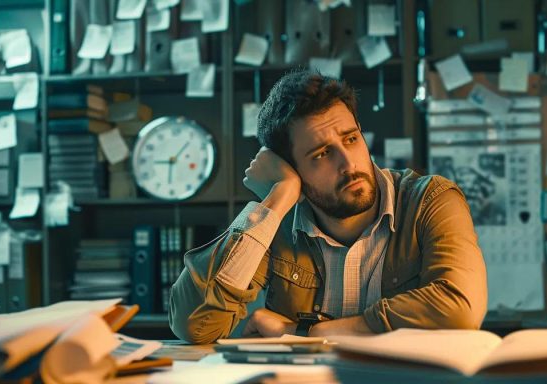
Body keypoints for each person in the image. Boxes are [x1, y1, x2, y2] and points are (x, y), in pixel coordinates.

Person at [168, 69, 487, 344]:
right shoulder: (277, 224)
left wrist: (304, 333)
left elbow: (458, 309)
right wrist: (278, 198)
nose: (349, 164)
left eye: (351, 139)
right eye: (321, 154)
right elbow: (195, 326)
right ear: (291, 168)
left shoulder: (430, 200)